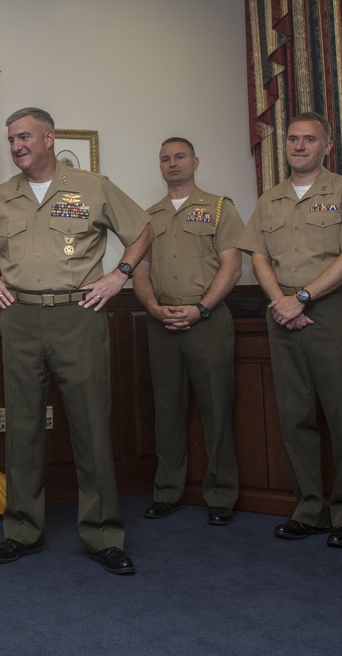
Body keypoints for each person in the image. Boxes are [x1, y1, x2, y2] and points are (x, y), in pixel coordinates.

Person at [0, 107, 152, 575]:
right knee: (23, 428)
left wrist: (118, 276)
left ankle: (104, 534)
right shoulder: (1, 197)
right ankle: (22, 530)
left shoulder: (92, 187)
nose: (16, 146)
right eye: (10, 140)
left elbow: (143, 229)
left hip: (78, 315)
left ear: (49, 138)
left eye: (24, 136)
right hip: (21, 316)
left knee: (91, 425)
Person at [237, 111, 342, 548]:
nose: (299, 146)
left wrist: (303, 298)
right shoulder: (270, 199)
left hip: (329, 310)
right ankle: (310, 509)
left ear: (326, 146)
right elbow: (258, 256)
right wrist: (282, 300)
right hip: (281, 312)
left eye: (309, 140)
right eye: (293, 139)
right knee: (294, 415)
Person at [132, 137, 242, 526]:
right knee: (167, 410)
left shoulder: (218, 208)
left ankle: (221, 495)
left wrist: (200, 308)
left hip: (207, 319)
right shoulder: (147, 217)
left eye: (179, 157)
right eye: (165, 159)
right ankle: (167, 492)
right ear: (159, 166)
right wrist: (153, 307)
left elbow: (232, 266)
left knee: (216, 409)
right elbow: (140, 272)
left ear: (195, 161)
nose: (172, 164)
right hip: (161, 320)